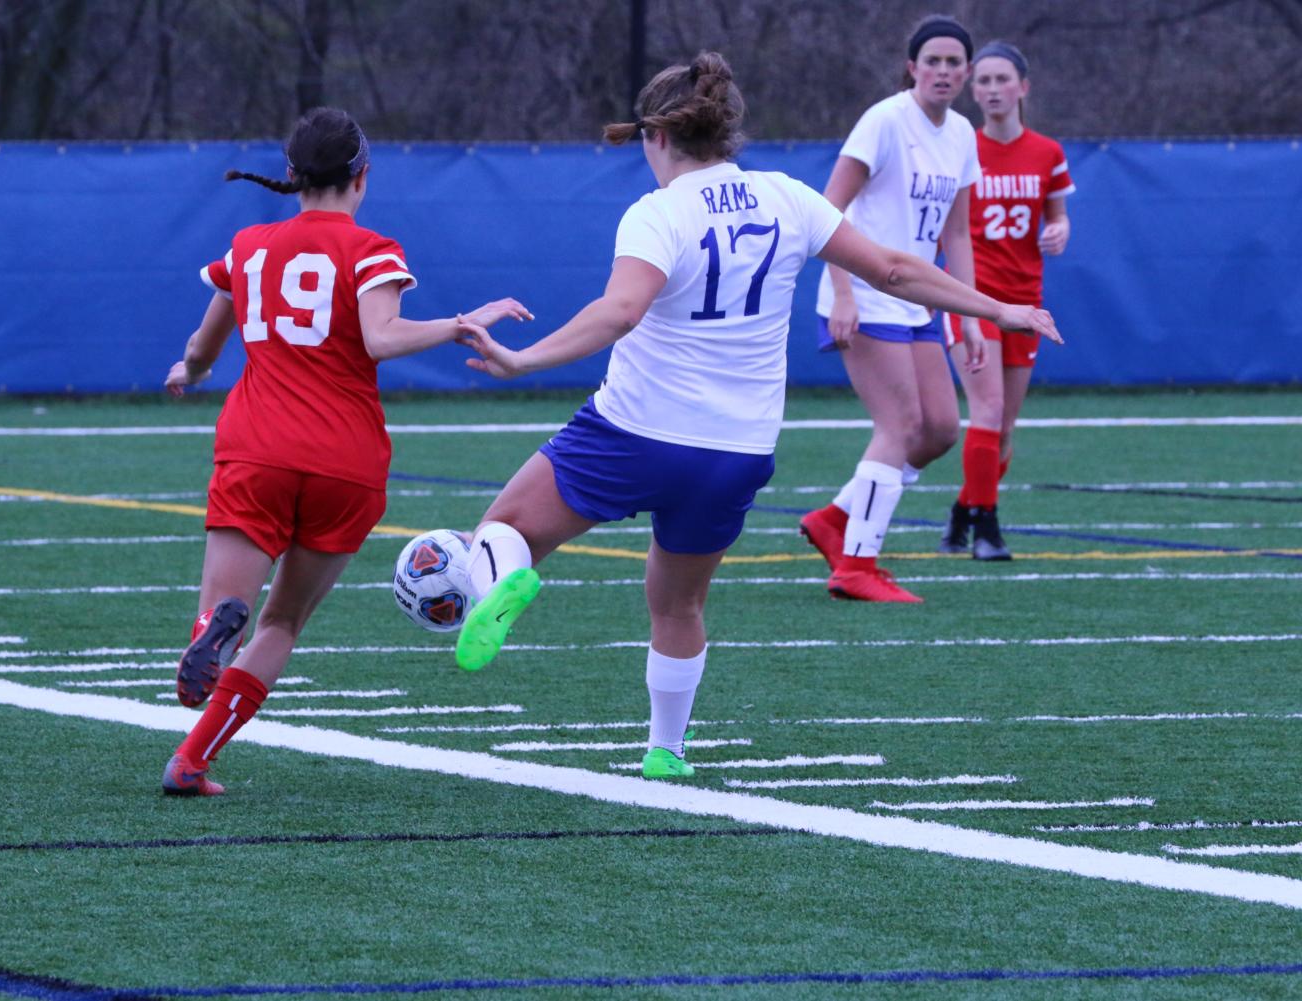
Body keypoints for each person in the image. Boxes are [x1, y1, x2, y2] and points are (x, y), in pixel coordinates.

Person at [450, 52, 1059, 779]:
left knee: (504, 528)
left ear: (657, 136)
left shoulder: (658, 211)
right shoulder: (786, 197)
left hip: (636, 431)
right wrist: (999, 307)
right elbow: (894, 269)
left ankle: (507, 580)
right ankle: (665, 750)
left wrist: (522, 360)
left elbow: (619, 310)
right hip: (735, 451)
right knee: (677, 605)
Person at [159, 106, 530, 796]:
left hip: (257, 448)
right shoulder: (370, 249)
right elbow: (383, 338)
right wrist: (457, 324)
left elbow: (202, 347)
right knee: (283, 619)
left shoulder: (248, 246)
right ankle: (191, 760)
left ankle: (212, 630)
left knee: (226, 610)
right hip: (346, 461)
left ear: (291, 177)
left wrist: (189, 372)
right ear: (363, 177)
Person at [798, 14, 995, 603]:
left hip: (915, 299)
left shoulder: (961, 133)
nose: (943, 70)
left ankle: (836, 519)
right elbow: (826, 212)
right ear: (912, 67)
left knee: (937, 431)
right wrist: (844, 293)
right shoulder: (885, 121)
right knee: (900, 426)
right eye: (931, 61)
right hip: (863, 293)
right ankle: (857, 565)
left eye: (953, 62)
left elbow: (956, 236)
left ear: (966, 72)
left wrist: (971, 316)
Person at [940, 41, 1074, 560]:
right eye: (984, 81)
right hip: (971, 298)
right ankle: (987, 531)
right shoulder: (960, 147)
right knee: (987, 409)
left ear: (1023, 87)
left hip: (1025, 302)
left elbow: (1058, 214)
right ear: (973, 90)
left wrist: (1060, 229)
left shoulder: (1047, 152)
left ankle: (962, 509)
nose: (993, 90)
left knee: (1004, 428)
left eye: (1002, 80)